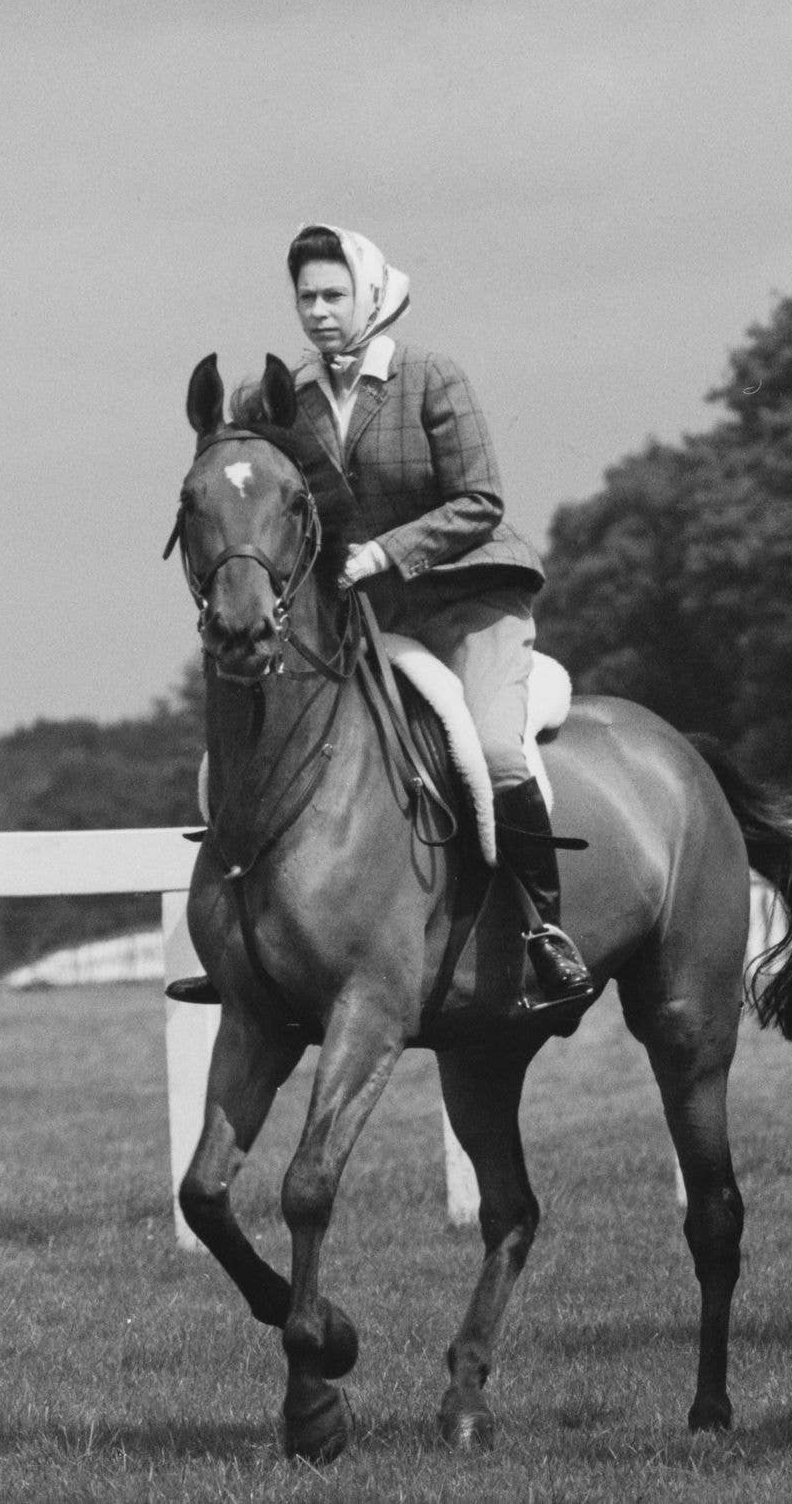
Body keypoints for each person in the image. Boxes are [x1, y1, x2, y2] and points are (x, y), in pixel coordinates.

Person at [177, 224, 591, 1014]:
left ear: (369, 295)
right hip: (372, 615)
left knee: (497, 753)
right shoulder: (289, 396)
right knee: (242, 756)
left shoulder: (431, 377)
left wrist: (382, 553)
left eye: (335, 296)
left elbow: (481, 502)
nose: (321, 313)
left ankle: (546, 931)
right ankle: (242, 947)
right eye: (307, 298)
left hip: (471, 599)